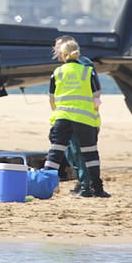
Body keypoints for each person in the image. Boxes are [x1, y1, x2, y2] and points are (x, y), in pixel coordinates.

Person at [44, 39, 110, 198]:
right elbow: (96, 95)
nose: (56, 52)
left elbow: (51, 98)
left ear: (64, 52)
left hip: (63, 117)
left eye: (58, 49)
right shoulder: (86, 70)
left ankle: (45, 185)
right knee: (89, 154)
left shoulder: (58, 71)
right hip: (85, 118)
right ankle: (96, 189)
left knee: (55, 153)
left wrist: (57, 113)